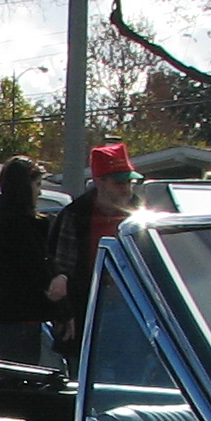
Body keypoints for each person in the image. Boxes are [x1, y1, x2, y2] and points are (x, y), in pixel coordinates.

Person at [43, 142, 144, 351]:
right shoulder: (76, 215)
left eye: (129, 181)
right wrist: (65, 312)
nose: (126, 188)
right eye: (119, 182)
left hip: (133, 312)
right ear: (99, 182)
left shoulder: (142, 216)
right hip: (88, 311)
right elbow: (60, 270)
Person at [0, 155, 55, 366]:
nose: (39, 192)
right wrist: (62, 311)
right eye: (37, 185)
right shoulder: (18, 225)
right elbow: (37, 271)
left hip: (11, 315)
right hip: (16, 317)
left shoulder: (7, 219)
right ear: (24, 186)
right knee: (25, 375)